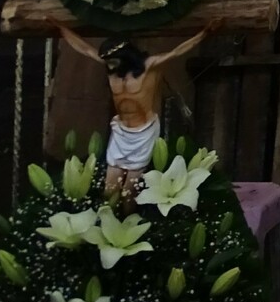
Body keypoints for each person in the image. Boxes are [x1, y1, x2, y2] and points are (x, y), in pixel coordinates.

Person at [50, 18, 222, 207]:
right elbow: (83, 48)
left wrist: (204, 32)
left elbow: (177, 51)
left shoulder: (149, 66)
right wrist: (61, 28)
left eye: (112, 60)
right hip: (121, 131)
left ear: (125, 56)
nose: (108, 64)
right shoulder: (111, 69)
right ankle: (108, 226)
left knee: (128, 193)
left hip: (143, 132)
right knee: (109, 190)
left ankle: (129, 224)